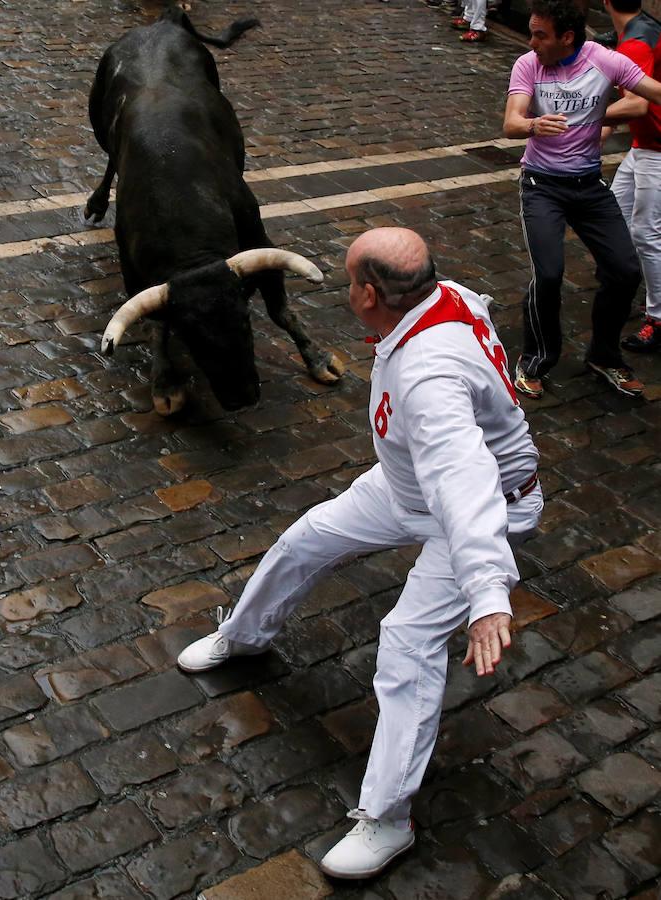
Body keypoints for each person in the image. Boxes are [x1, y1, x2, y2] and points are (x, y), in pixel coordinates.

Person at [177, 227, 543, 880]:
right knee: (306, 539)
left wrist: (487, 593)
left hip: (476, 512)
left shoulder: (427, 380)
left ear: (370, 294)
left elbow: (464, 482)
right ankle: (245, 636)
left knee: (405, 642)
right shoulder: (447, 294)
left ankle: (388, 819)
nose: (346, 292)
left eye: (349, 281)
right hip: (404, 487)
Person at [503, 0, 661, 398]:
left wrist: (598, 115)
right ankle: (536, 358)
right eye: (531, 31)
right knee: (550, 274)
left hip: (588, 185)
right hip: (542, 186)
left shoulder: (603, 60)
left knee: (625, 270)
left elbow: (649, 93)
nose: (531, 41)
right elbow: (511, 122)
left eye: (540, 34)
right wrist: (534, 125)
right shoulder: (528, 65)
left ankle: (604, 356)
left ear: (567, 37)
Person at [603, 0, 661, 352]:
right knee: (615, 210)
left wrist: (584, 117)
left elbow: (636, 103)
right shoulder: (645, 27)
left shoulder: (635, 43)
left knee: (645, 230)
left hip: (656, 148)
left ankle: (658, 317)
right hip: (644, 144)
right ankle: (623, 280)